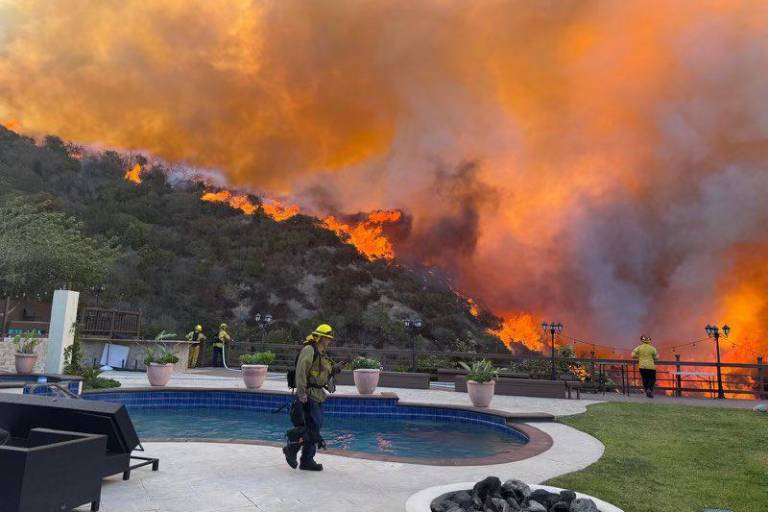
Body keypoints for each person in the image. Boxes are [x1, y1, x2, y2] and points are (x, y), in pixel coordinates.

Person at [283, 323, 341, 471]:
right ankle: (292, 443)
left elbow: (321, 373)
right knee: (314, 428)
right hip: (309, 394)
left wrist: (332, 371)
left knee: (315, 427)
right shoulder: (309, 350)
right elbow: (301, 371)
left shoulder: (322, 353)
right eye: (327, 338)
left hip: (318, 394)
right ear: (321, 338)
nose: (329, 341)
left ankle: (306, 460)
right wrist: (301, 393)